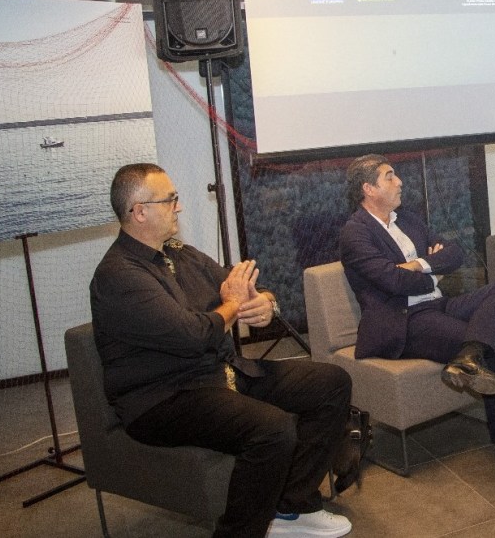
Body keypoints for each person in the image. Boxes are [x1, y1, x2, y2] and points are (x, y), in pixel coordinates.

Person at [90, 163, 353, 538]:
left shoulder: (180, 253)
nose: (179, 207)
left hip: (219, 373)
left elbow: (237, 284)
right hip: (164, 399)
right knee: (273, 428)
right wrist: (232, 305)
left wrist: (265, 303)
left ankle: (292, 506)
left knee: (331, 382)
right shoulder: (119, 275)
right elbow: (193, 335)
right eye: (170, 200)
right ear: (139, 212)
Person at [339, 154, 495, 473]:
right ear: (368, 188)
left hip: (437, 304)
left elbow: (456, 253)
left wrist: (418, 265)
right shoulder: (355, 233)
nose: (400, 181)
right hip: (404, 320)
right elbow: (392, 281)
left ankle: (468, 357)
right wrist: (434, 271)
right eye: (389, 176)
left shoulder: (406, 218)